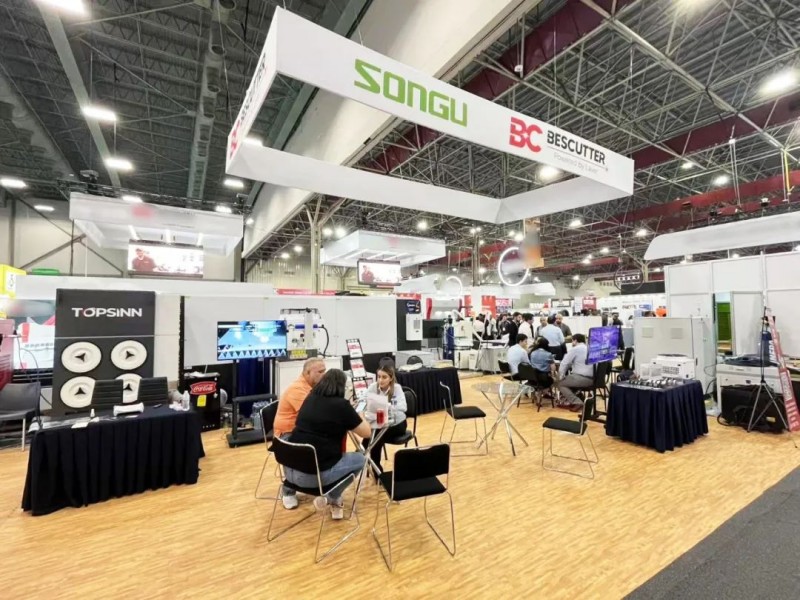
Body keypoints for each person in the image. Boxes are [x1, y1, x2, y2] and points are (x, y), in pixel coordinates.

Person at [286, 369, 371, 520]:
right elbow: (366, 433)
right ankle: (333, 496)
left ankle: (333, 497)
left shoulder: (310, 397)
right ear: (342, 387)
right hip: (315, 479)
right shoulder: (341, 406)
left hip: (290, 473)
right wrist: (360, 414)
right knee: (361, 459)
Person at [273, 357, 327, 509]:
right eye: (320, 372)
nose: (324, 375)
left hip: (302, 429)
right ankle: (288, 491)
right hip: (286, 434)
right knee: (307, 448)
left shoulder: (314, 386)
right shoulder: (297, 389)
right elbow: (312, 414)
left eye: (325, 371)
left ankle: (322, 483)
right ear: (307, 373)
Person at [363, 364, 407, 473]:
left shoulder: (397, 388)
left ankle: (366, 459)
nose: (380, 380)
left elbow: (403, 407)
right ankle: (376, 468)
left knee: (374, 436)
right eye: (379, 377)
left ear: (391, 378)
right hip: (379, 422)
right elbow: (363, 400)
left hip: (397, 424)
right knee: (374, 434)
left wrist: (387, 406)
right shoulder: (373, 387)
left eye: (384, 377)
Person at [558, 333, 595, 411]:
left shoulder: (575, 349)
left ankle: (577, 402)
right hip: (594, 379)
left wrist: (561, 376)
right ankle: (578, 398)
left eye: (572, 341)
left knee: (560, 383)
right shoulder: (590, 348)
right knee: (568, 381)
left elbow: (564, 363)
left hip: (582, 378)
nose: (572, 343)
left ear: (575, 340)